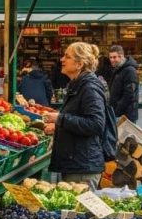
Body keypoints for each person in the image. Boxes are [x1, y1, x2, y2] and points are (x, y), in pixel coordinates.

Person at [42, 42, 108, 190]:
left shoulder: (89, 87)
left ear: (79, 64)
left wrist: (60, 119)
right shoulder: (77, 85)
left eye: (67, 56)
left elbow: (96, 124)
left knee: (79, 212)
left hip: (83, 168)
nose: (62, 60)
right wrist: (58, 127)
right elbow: (79, 118)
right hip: (76, 163)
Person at [107, 45, 139, 121]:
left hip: (125, 116)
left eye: (114, 57)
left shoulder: (129, 71)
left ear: (121, 56)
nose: (112, 60)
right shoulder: (118, 69)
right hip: (118, 114)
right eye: (110, 57)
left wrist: (117, 111)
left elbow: (129, 95)